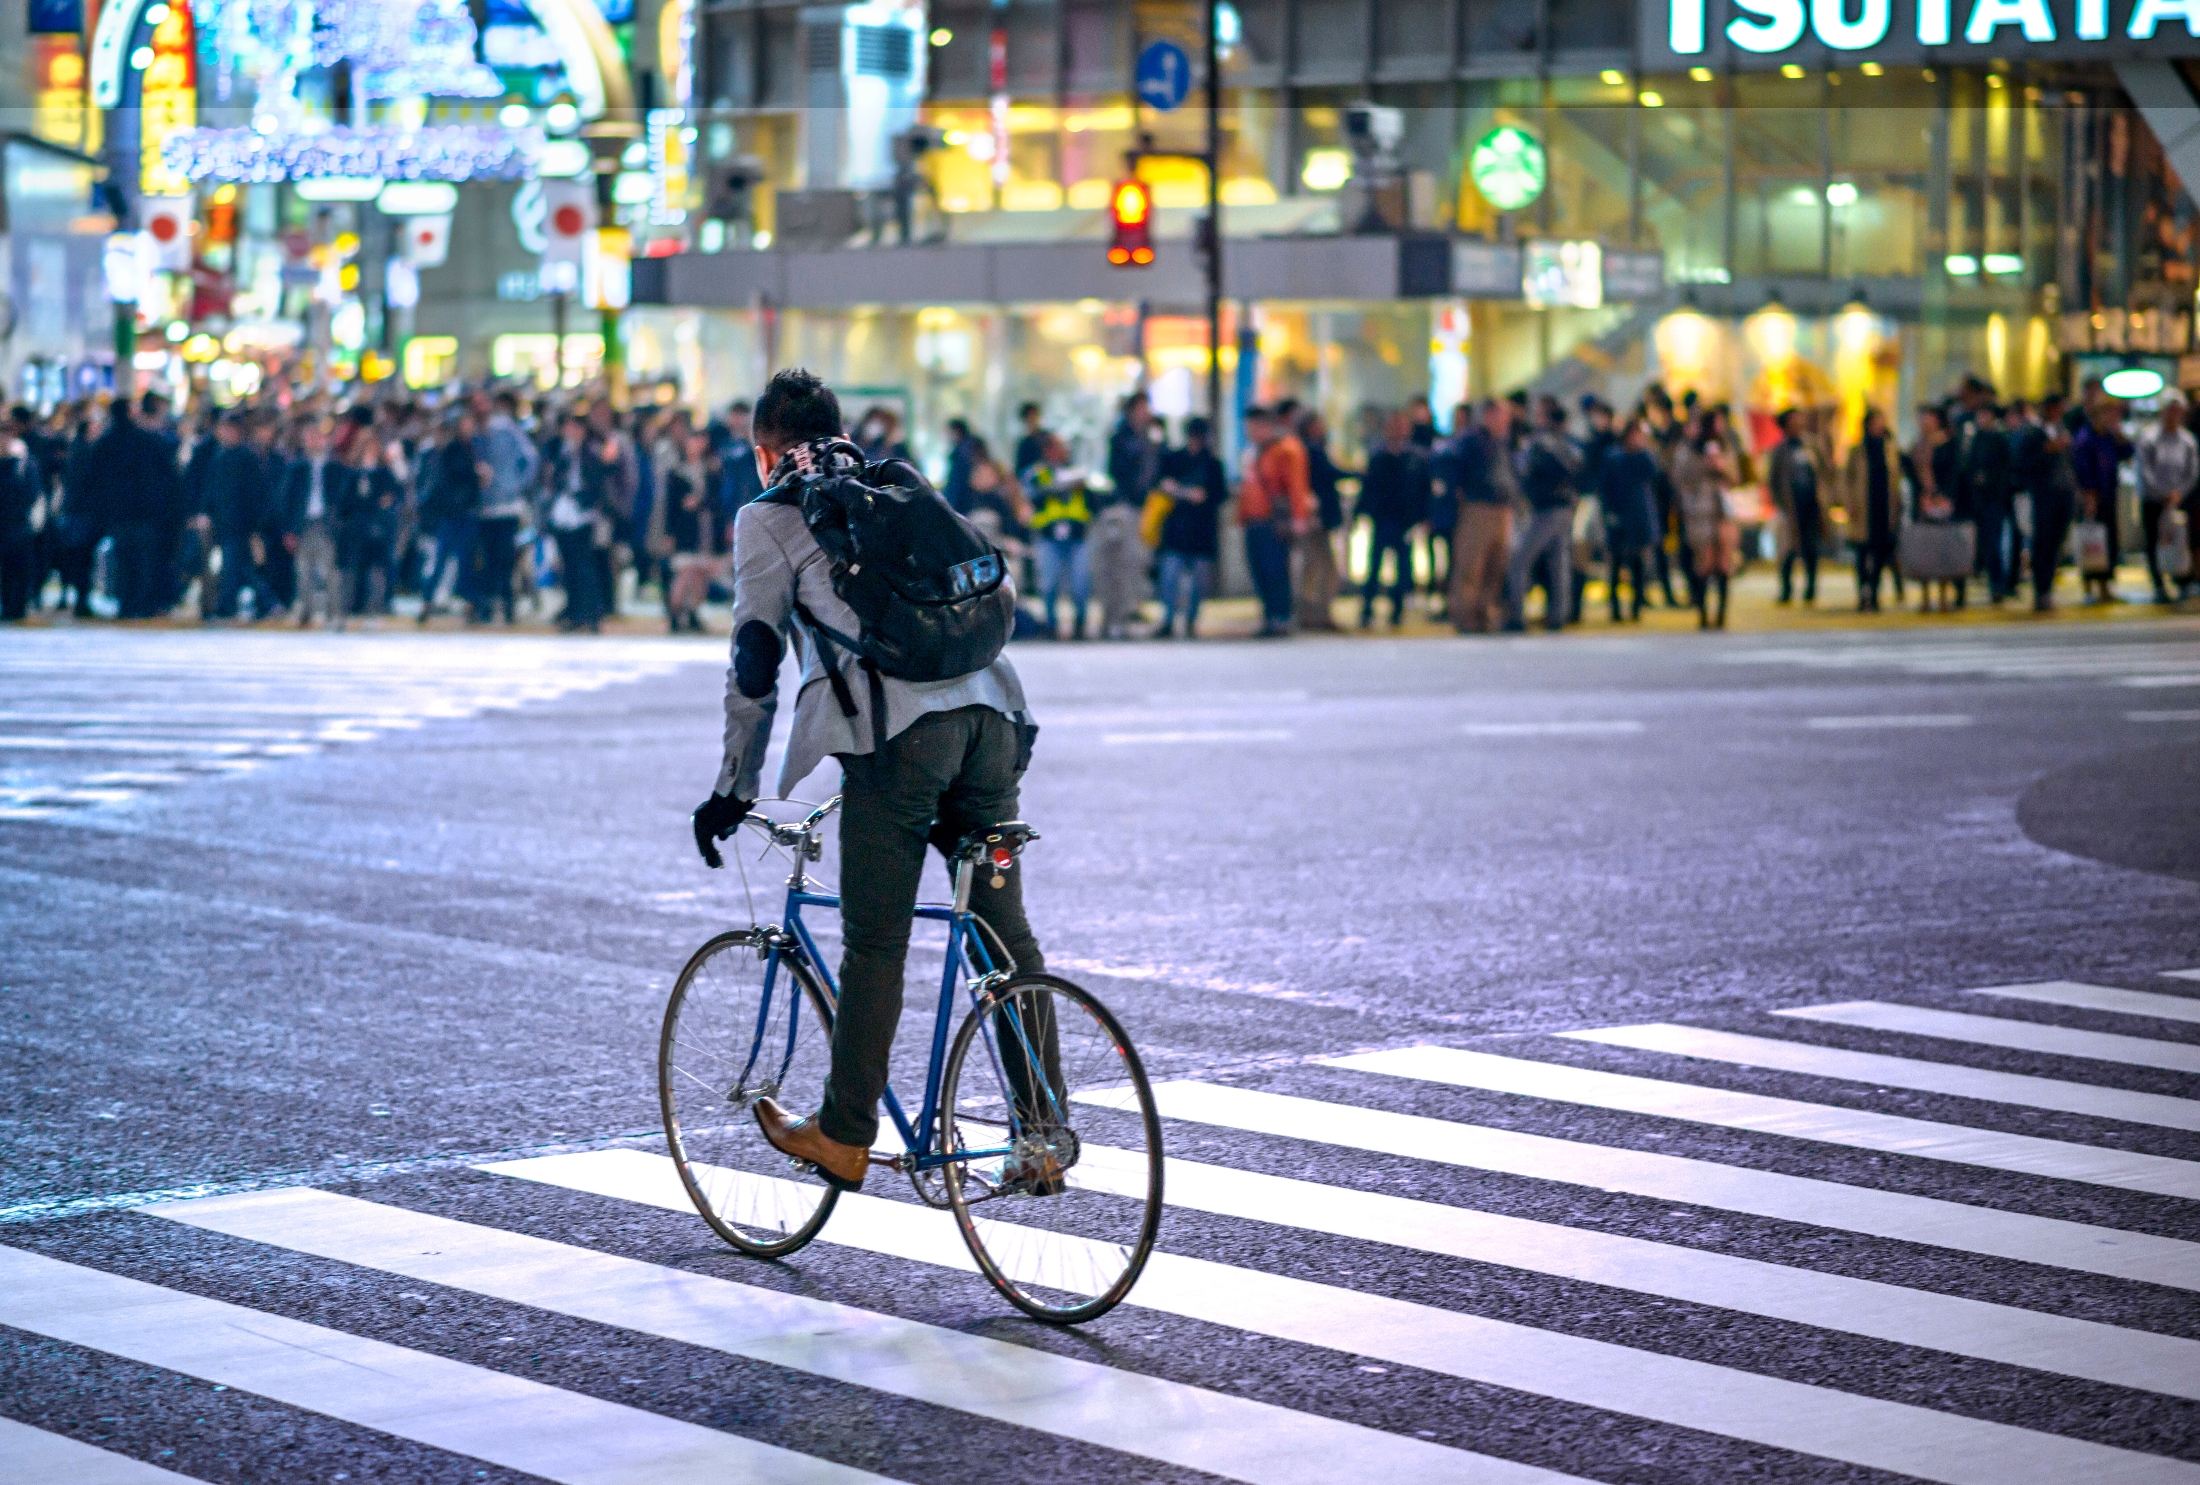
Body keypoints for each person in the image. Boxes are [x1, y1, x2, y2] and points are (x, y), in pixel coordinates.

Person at [690, 367, 1042, 1192]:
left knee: (876, 940)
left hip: (897, 741)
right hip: (993, 719)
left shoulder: (768, 516)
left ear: (764, 451)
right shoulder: (896, 481)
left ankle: (845, 1133)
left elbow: (754, 659)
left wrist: (734, 785)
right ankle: (1042, 1132)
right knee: (1005, 938)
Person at [82, 390, 183, 619]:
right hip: (147, 512)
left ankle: (126, 604)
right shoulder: (148, 440)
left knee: (124, 561)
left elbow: (94, 479)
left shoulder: (105, 444)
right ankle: (144, 604)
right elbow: (167, 478)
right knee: (145, 560)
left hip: (119, 513)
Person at [1504, 396, 1581, 633]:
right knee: (1559, 563)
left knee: (1520, 561)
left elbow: (1526, 470)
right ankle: (1559, 615)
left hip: (1546, 507)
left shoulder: (1540, 443)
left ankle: (1516, 616)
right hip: (1565, 506)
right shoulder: (1568, 443)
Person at [1238, 406, 1313, 637]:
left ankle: (1281, 617)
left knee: (1276, 571)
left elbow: (1297, 486)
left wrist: (1299, 519)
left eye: (1252, 428)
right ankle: (1270, 617)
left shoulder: (1286, 449)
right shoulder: (1255, 451)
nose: (1250, 433)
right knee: (1259, 571)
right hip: (1254, 521)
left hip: (1274, 521)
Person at [1448, 397, 1517, 634]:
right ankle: (1465, 617)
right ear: (1489, 416)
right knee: (1472, 564)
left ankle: (1485, 614)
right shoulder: (1471, 440)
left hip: (1502, 508)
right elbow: (1454, 470)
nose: (1505, 422)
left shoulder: (1504, 442)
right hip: (1478, 507)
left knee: (1495, 564)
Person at [1356, 410, 1430, 628]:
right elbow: (1369, 486)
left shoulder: (1416, 457)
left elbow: (1423, 489)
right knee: (1374, 565)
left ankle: (1397, 610)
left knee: (1403, 567)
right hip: (1383, 517)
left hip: (1405, 519)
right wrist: (1364, 512)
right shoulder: (1378, 456)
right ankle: (1367, 608)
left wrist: (1423, 516)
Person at [1153, 416, 1225, 638]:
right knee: (1170, 575)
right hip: (1176, 528)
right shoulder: (1174, 459)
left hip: (1201, 530)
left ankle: (1191, 620)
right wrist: (1179, 491)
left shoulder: (1212, 464)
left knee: (1199, 581)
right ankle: (1168, 619)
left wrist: (1203, 496)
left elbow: (1219, 495)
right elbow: (1159, 484)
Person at [1096, 392, 1159, 638]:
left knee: (1136, 565)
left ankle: (1128, 611)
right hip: (1125, 508)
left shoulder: (1150, 435)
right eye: (1142, 408)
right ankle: (1115, 616)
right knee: (1119, 564)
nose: (1146, 413)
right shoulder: (1122, 438)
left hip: (1147, 508)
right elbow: (1116, 472)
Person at [475, 390, 540, 625]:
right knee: (488, 559)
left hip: (506, 506)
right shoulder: (475, 432)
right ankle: (490, 606)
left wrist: (516, 486)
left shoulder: (505, 429)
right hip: (484, 507)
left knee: (504, 558)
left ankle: (506, 606)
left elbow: (530, 458)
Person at [281, 420, 353, 628]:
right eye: (309, 438)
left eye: (317, 437)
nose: (314, 441)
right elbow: (286, 500)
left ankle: (334, 613)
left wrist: (340, 524)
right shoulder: (296, 468)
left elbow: (345, 499)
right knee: (303, 570)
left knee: (330, 571)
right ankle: (305, 611)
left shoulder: (336, 468)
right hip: (303, 524)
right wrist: (288, 530)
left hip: (326, 525)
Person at [418, 411, 486, 622]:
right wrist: (476, 476)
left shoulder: (469, 447)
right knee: (446, 560)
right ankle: (429, 601)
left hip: (461, 513)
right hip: (454, 513)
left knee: (464, 561)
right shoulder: (454, 449)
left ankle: (468, 604)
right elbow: (456, 479)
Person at [1673, 410, 1738, 629]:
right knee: (1704, 562)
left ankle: (1721, 615)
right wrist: (1704, 465)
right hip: (1699, 513)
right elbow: (1681, 478)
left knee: (1723, 563)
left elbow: (1736, 477)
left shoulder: (1725, 447)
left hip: (1723, 512)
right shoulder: (1689, 450)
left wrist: (1722, 468)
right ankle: (1702, 613)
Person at [1023, 436, 1091, 638]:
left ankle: (1080, 624)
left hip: (1077, 535)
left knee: (1080, 583)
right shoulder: (1037, 473)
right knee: (1049, 584)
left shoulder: (1077, 472)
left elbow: (1093, 499)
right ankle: (1051, 624)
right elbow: (1031, 494)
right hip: (1048, 536)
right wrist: (1059, 486)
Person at [544, 411, 605, 632]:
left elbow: (597, 480)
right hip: (563, 512)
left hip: (583, 513)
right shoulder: (559, 451)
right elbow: (551, 477)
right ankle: (574, 612)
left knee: (584, 565)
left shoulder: (591, 452)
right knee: (568, 564)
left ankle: (590, 613)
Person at [1598, 416, 1659, 623]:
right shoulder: (1614, 456)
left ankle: (1636, 606)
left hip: (1638, 516)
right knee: (1616, 563)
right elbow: (1606, 486)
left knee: (1637, 562)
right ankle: (1615, 608)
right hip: (1619, 514)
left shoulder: (1643, 456)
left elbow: (1653, 472)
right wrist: (1609, 512)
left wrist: (1643, 450)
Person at [2072, 401, 2133, 603]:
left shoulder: (2108, 437)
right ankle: (2089, 587)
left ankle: (2105, 586)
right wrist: (2089, 495)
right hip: (2091, 498)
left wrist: (2120, 436)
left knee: (2107, 542)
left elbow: (2128, 452)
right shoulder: (2085, 438)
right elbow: (2083, 469)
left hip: (2108, 496)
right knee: (2091, 542)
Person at [2138, 397, 2197, 604]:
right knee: (2155, 541)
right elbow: (2145, 471)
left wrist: (2178, 493)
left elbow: (2192, 471)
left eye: (2177, 411)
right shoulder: (2149, 438)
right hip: (2154, 499)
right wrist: (2162, 493)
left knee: (2181, 540)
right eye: (2169, 411)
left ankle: (2182, 580)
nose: (2173, 416)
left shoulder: (2187, 440)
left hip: (2179, 499)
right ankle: (2159, 585)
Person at [1294, 408, 1346, 632]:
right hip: (1316, 516)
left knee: (1314, 566)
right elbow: (1328, 474)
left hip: (1314, 515)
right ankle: (1317, 614)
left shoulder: (1303, 448)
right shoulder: (1311, 449)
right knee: (1322, 566)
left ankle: (1311, 613)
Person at [1845, 408, 1901, 613]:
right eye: (1876, 421)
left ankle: (1875, 594)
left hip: (1884, 508)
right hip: (1862, 508)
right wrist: (1848, 503)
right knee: (1862, 553)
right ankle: (1863, 593)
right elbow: (1847, 480)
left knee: (1879, 553)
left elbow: (1897, 478)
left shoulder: (1890, 449)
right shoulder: (1857, 451)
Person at [2028, 399, 2081, 612]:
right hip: (2045, 495)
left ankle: (2048, 585)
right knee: (2043, 541)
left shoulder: (2063, 431)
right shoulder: (2034, 433)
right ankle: (2041, 588)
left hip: (2064, 493)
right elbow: (2026, 462)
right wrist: (2048, 449)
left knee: (2057, 541)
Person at [1963, 402, 2017, 602]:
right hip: (1978, 499)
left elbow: (2006, 469)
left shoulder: (1999, 439)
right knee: (1984, 542)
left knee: (1994, 542)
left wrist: (1990, 480)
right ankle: (1991, 581)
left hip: (1994, 499)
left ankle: (1998, 584)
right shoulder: (1975, 439)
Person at [1768, 409, 1823, 605]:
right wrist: (1780, 503)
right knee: (1787, 550)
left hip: (1811, 506)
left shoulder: (1810, 446)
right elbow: (1773, 479)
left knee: (1811, 548)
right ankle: (1786, 588)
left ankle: (1811, 587)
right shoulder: (1780, 451)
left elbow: (1823, 472)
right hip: (1790, 508)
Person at [0, 421, 37, 620]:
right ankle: (9, 606)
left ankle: (17, 607)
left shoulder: (22, 463)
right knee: (8, 570)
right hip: (12, 524)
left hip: (18, 524)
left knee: (17, 568)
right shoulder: (21, 463)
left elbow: (32, 491)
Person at [1012, 401, 1049, 477]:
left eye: (1034, 415)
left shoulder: (1049, 437)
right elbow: (1020, 470)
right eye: (1030, 417)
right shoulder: (1024, 445)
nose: (1033, 419)